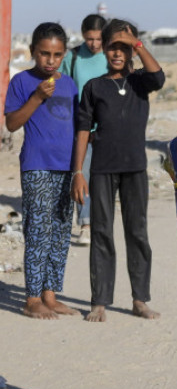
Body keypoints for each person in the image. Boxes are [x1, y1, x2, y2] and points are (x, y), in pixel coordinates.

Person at [71, 19, 163, 323]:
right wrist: (78, 172)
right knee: (101, 232)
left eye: (124, 48)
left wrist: (136, 42)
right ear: (105, 50)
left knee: (137, 233)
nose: (118, 53)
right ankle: (99, 301)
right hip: (102, 169)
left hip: (135, 168)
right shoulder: (94, 87)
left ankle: (140, 299)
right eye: (113, 47)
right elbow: (83, 129)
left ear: (132, 51)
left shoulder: (140, 82)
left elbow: (159, 77)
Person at [3, 23, 78, 319]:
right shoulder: (22, 82)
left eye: (57, 54)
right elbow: (11, 124)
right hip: (37, 165)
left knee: (60, 231)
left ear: (64, 55)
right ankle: (32, 298)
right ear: (33, 51)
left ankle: (51, 294)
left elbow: (77, 126)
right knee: (38, 230)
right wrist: (36, 98)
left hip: (66, 166)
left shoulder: (70, 84)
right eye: (44, 53)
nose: (50, 60)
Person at [59, 13, 108, 246]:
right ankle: (86, 224)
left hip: (109, 128)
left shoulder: (112, 55)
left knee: (105, 177)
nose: (94, 44)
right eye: (90, 39)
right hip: (82, 127)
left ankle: (102, 222)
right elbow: (64, 89)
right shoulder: (74, 56)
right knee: (83, 174)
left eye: (99, 39)